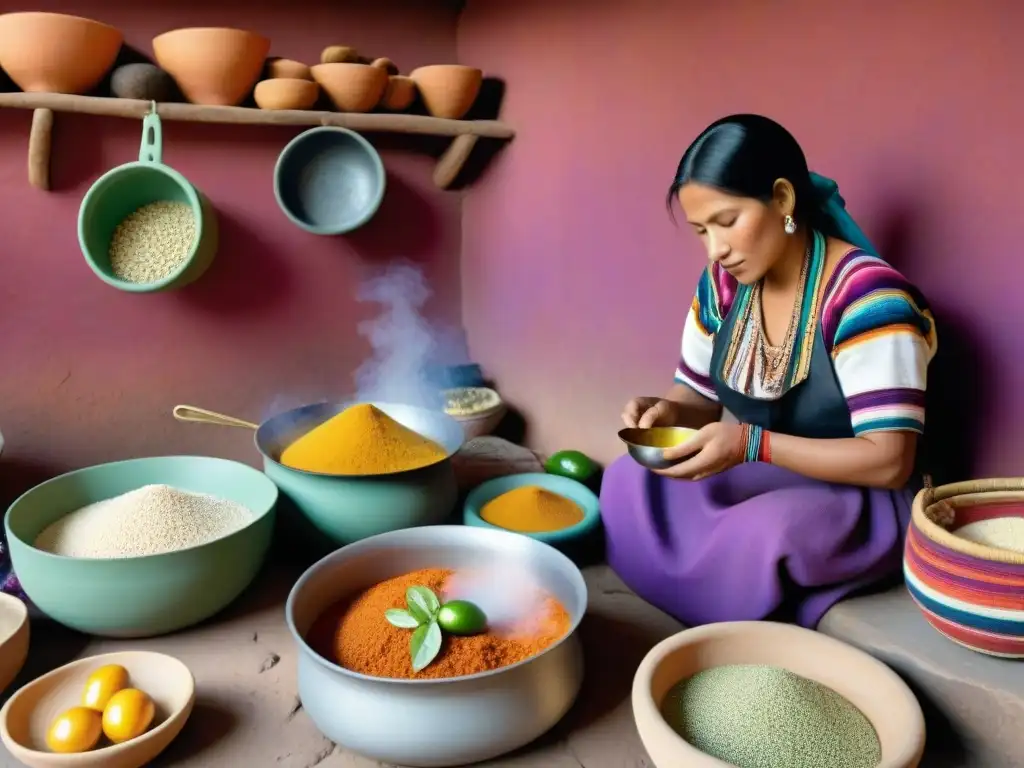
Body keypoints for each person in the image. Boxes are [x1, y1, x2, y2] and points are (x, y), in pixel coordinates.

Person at [600, 114, 938, 629]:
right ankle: (727, 600)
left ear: (782, 199)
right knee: (629, 481)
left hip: (862, 495)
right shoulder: (724, 284)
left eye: (727, 220)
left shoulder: (867, 299)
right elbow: (696, 395)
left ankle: (725, 603)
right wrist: (666, 409)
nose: (716, 249)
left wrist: (750, 446)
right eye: (701, 231)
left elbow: (889, 462)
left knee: (765, 535)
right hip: (771, 465)